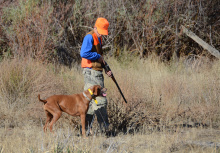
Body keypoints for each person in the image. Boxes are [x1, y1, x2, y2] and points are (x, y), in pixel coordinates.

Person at [80, 17, 112, 135]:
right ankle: (104, 131)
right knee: (99, 100)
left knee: (89, 102)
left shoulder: (98, 37)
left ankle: (85, 131)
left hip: (96, 72)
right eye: (100, 31)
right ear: (95, 28)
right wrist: (97, 57)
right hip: (91, 73)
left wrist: (106, 68)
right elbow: (84, 53)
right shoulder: (89, 37)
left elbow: (99, 56)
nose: (101, 34)